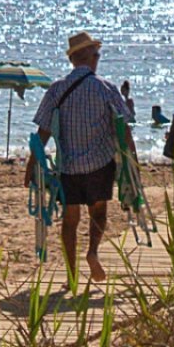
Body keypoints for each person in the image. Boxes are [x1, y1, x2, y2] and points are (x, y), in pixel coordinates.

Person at [29, 32, 133, 284]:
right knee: (98, 212)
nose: (98, 59)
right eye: (96, 55)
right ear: (87, 58)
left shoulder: (56, 89)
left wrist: (31, 165)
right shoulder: (106, 88)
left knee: (70, 220)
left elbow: (43, 130)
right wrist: (131, 164)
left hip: (69, 167)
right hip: (100, 164)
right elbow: (123, 129)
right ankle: (93, 252)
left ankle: (71, 274)